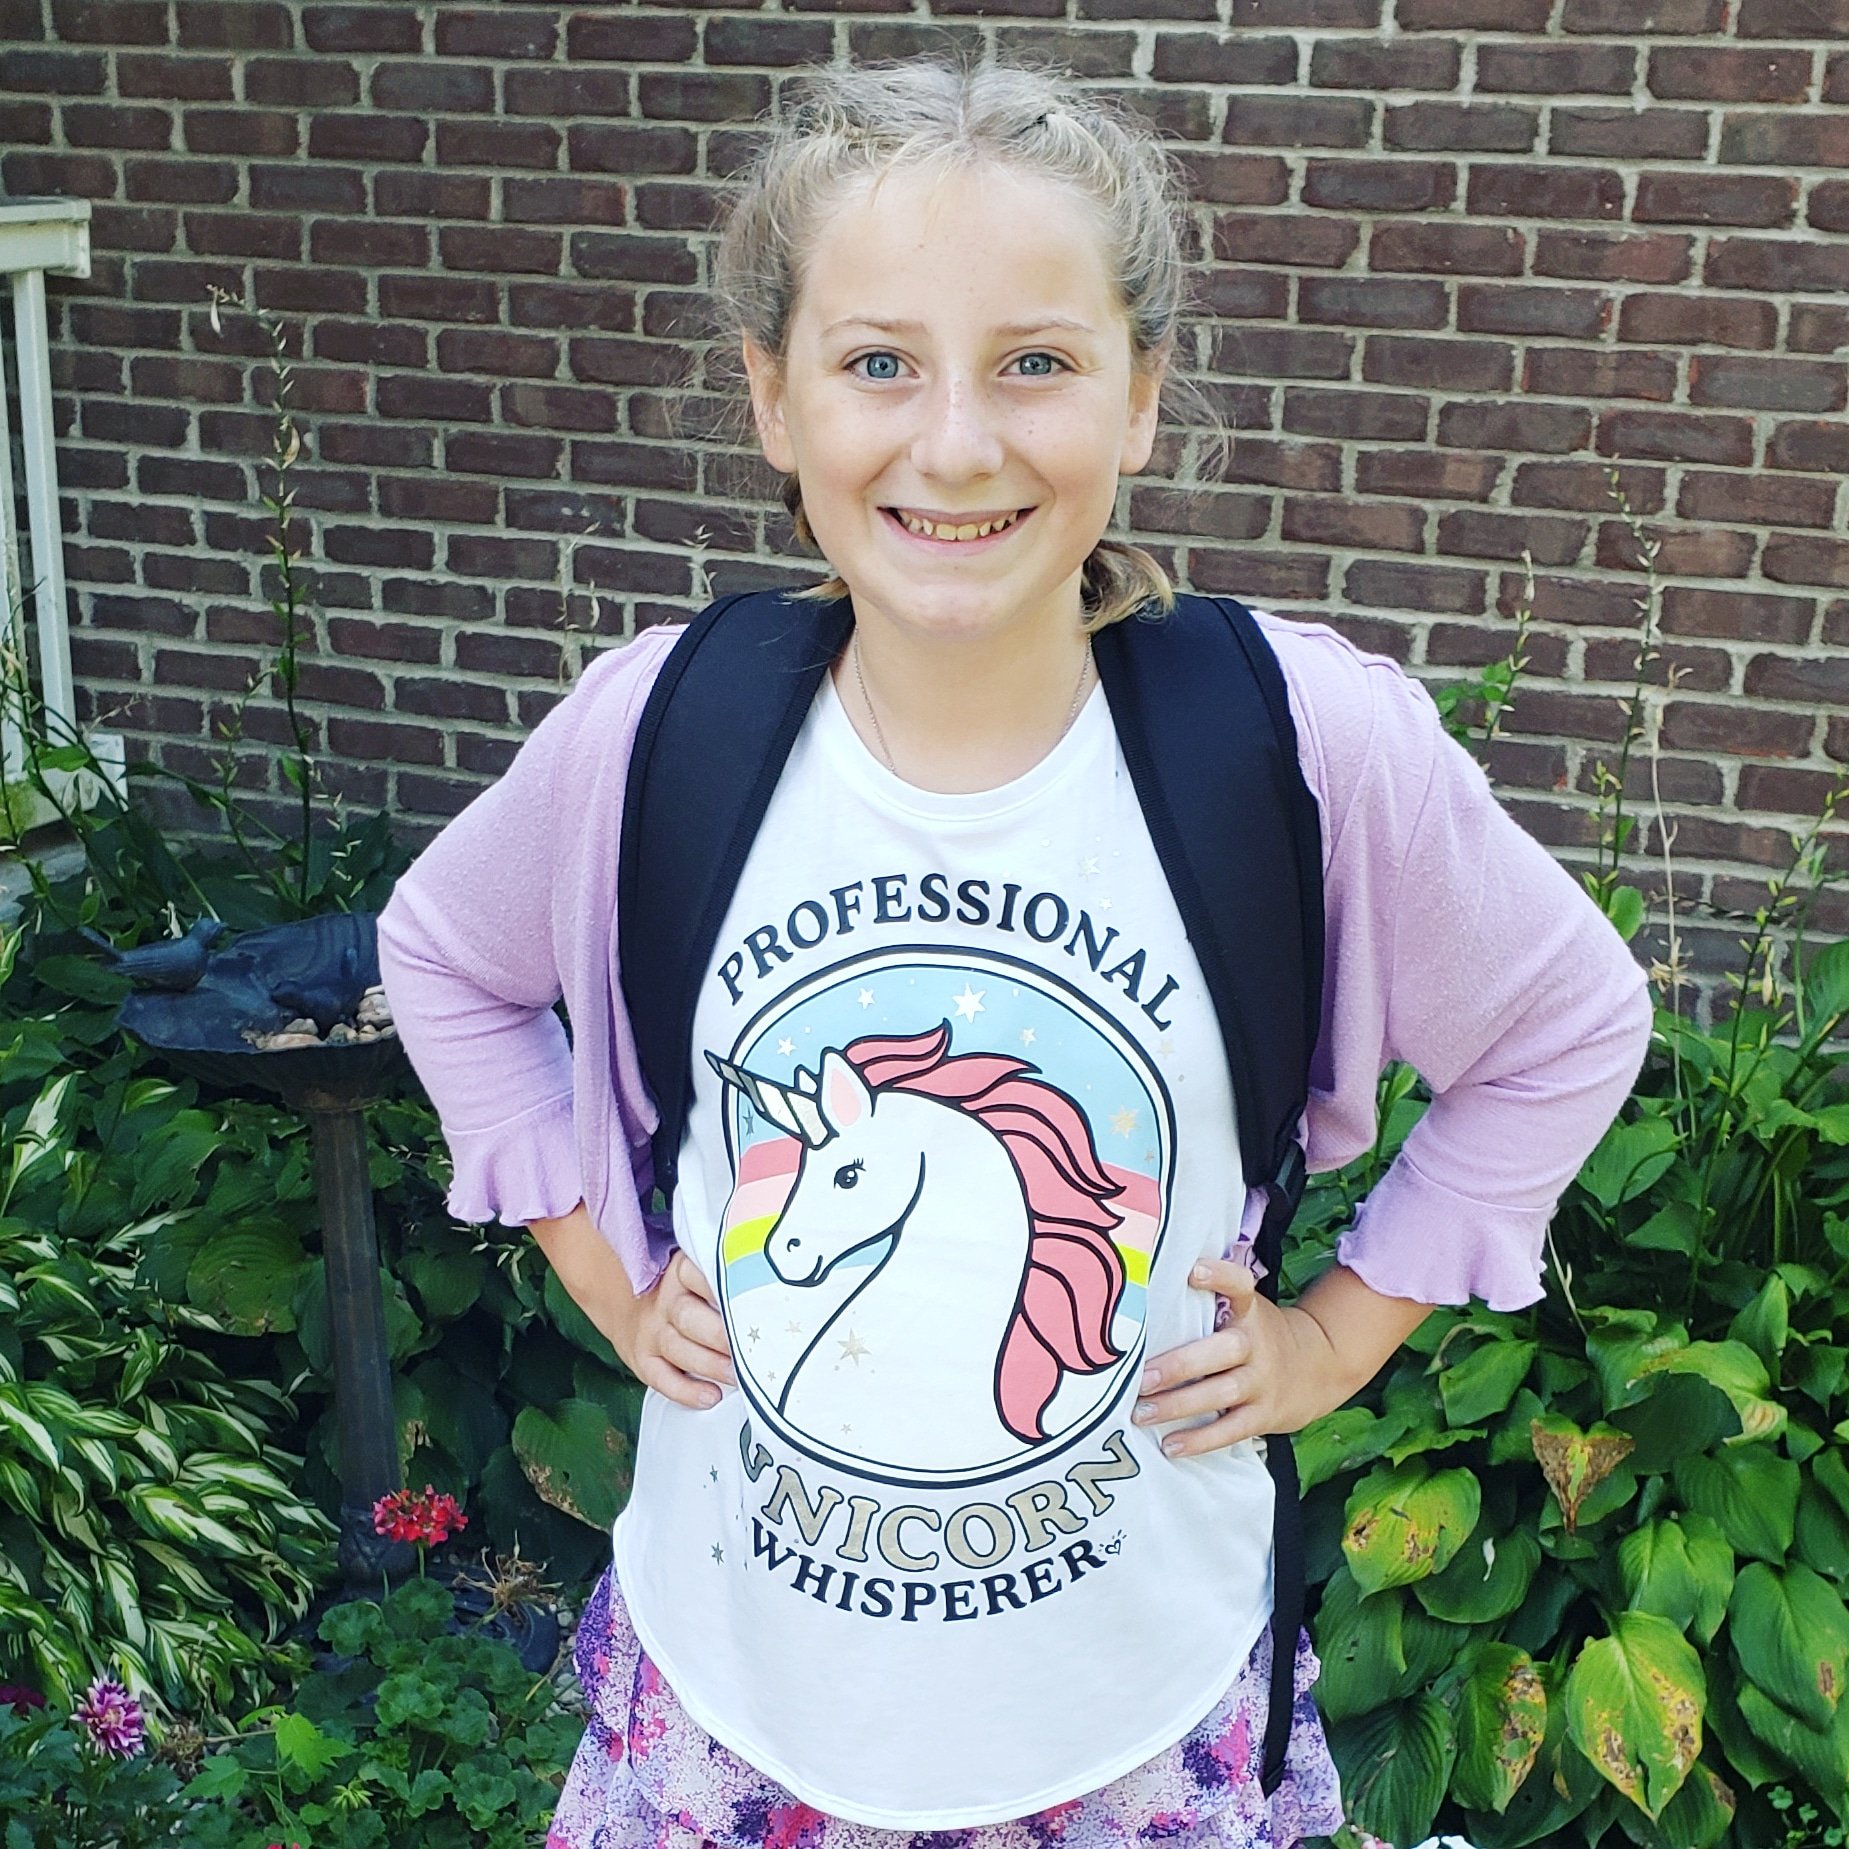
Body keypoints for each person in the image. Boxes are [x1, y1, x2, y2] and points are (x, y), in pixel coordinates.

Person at [376, 53, 1653, 1849]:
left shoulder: (1297, 743)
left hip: (1137, 1723)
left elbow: (1568, 1022)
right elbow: (442, 952)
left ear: (1140, 396)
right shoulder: (650, 730)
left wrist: (1335, 1340)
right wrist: (610, 1265)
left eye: (1035, 362)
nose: (956, 440)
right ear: (773, 399)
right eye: (878, 360)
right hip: (733, 1711)